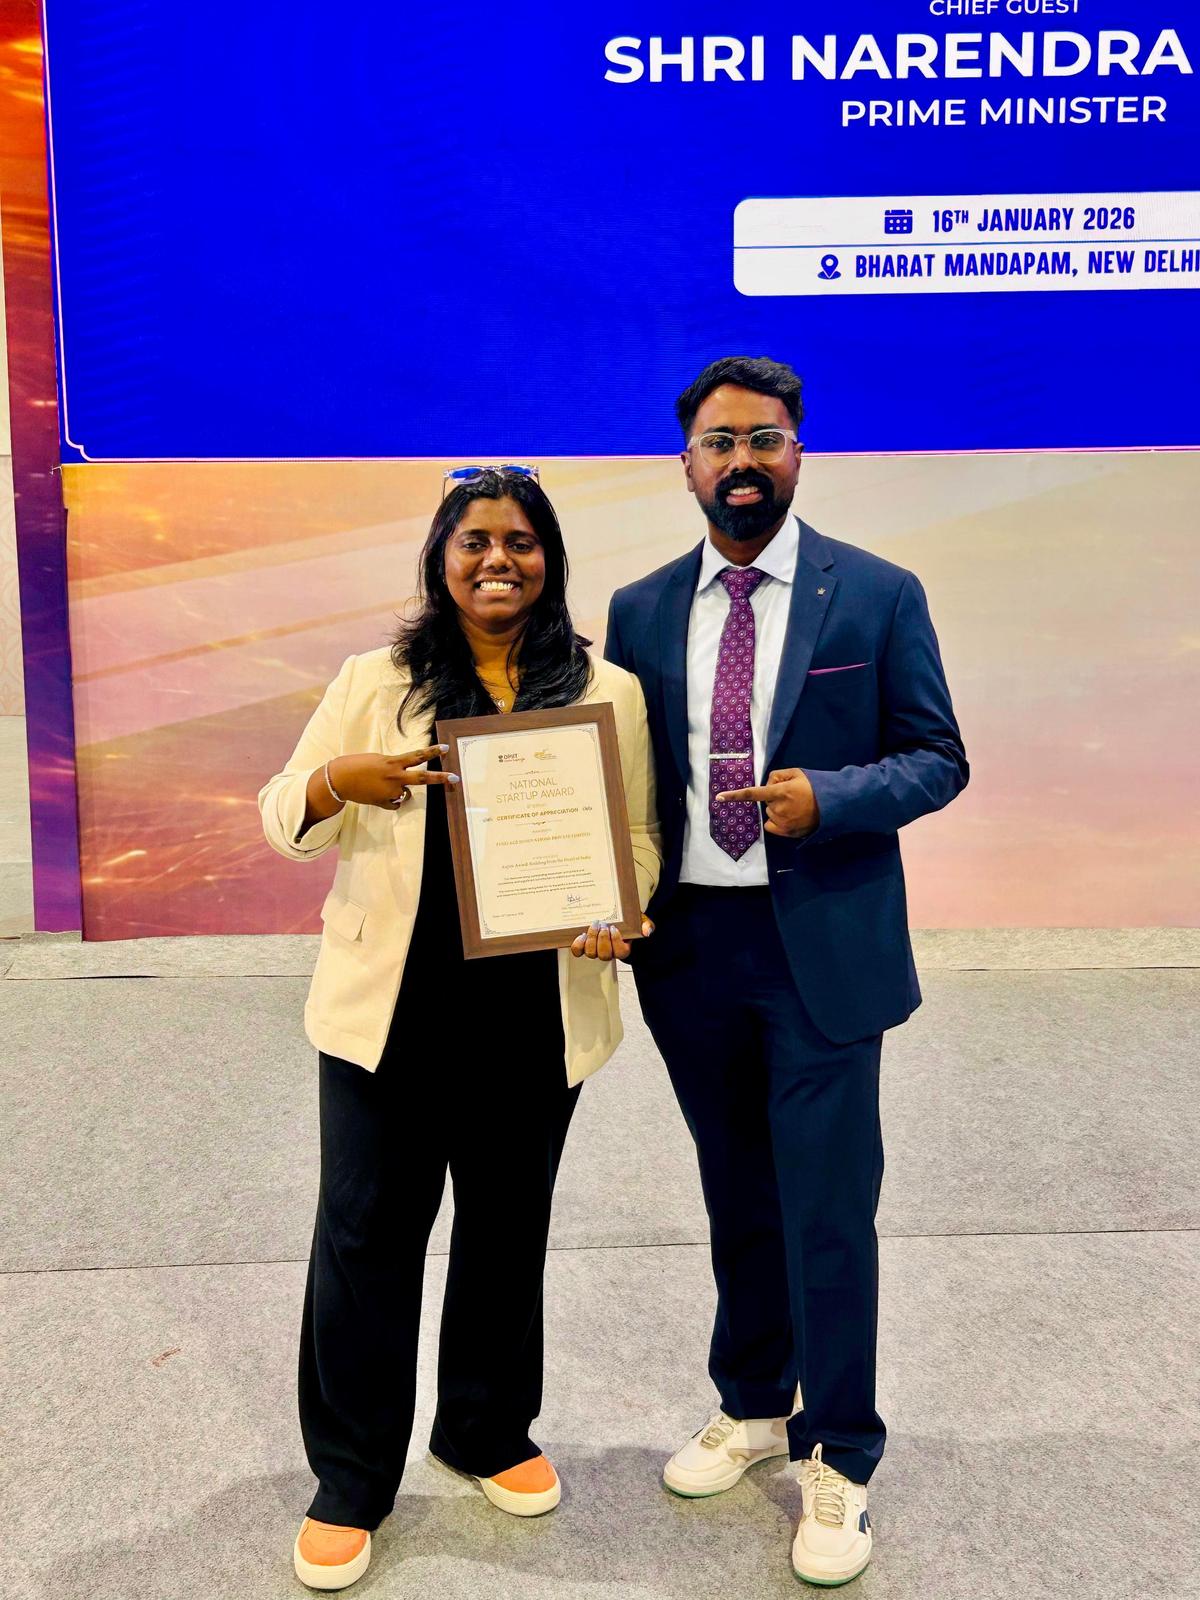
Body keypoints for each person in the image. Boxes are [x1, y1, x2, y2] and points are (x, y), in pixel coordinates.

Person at [260, 467, 659, 1591]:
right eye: (476, 539)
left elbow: (637, 838)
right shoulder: (373, 681)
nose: (500, 559)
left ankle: (482, 1428)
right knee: (366, 1238)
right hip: (391, 1016)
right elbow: (283, 816)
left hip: (533, 1018)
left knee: (504, 1231)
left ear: (551, 559)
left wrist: (614, 909)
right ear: (441, 557)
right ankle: (350, 1476)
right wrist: (342, 778)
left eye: (522, 541)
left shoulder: (607, 692)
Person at [604, 358, 968, 1587]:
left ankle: (842, 1455)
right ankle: (755, 1398)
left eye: (763, 438)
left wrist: (832, 799)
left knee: (826, 1203)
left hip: (822, 945)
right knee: (735, 1189)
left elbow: (937, 757)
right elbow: (618, 782)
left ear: (798, 449)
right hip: (694, 946)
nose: (741, 462)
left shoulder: (874, 593)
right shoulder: (643, 607)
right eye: (718, 443)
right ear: (687, 462)